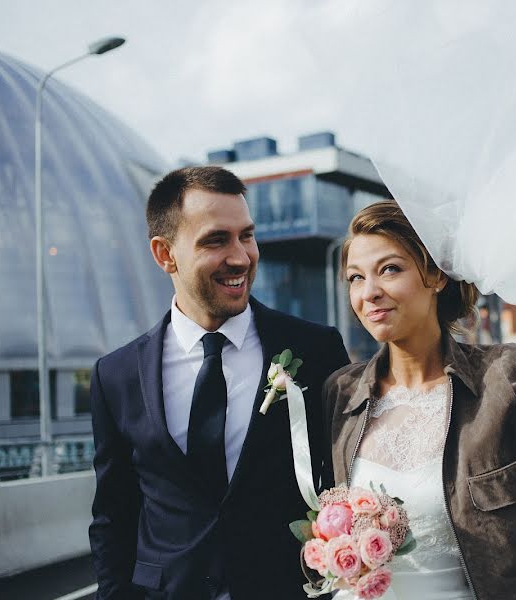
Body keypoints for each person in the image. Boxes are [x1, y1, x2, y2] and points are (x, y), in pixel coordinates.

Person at [321, 201, 516, 600]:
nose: (369, 293)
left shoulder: (501, 374)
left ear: (435, 274)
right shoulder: (340, 392)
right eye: (355, 277)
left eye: (390, 269)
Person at [89, 167, 349, 599]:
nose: (242, 257)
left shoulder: (316, 349)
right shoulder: (116, 375)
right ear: (164, 254)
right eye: (216, 240)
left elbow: (344, 478)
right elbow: (113, 516)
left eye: (246, 235)